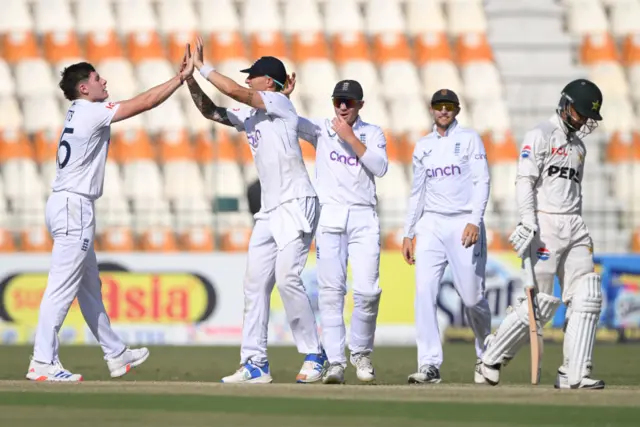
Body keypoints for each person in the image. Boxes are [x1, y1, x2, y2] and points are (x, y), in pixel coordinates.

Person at [26, 46, 195, 382]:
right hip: (74, 207)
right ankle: (42, 361)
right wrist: (179, 79)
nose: (104, 80)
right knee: (61, 288)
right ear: (83, 88)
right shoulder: (91, 110)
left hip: (66, 203)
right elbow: (144, 103)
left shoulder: (77, 111)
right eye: (96, 77)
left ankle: (116, 353)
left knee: (89, 287)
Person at [186, 36, 326, 384]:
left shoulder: (279, 102)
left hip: (296, 203)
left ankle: (315, 354)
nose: (247, 79)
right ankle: (255, 363)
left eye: (253, 76)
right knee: (254, 285)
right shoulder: (252, 114)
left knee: (287, 277)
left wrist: (204, 67)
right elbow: (210, 111)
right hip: (269, 210)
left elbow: (238, 92)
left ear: (269, 83)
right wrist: (189, 79)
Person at [480, 79, 605, 390]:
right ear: (565, 105)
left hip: (574, 223)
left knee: (587, 295)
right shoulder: (540, 135)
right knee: (542, 305)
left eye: (588, 118)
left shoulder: (579, 146)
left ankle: (573, 374)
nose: (583, 122)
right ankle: (490, 357)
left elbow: (573, 190)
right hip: (545, 225)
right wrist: (527, 221)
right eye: (579, 114)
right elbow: (524, 180)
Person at [288, 78, 388, 384]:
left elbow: (380, 167)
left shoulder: (372, 133)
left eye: (349, 102)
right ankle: (335, 361)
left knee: (368, 292)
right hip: (330, 217)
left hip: (363, 217)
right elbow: (291, 123)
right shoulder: (321, 129)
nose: (342, 107)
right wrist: (285, 98)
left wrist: (348, 137)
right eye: (338, 101)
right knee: (331, 295)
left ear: (360, 105)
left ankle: (361, 352)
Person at [402, 89, 492, 384]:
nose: (444, 111)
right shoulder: (423, 146)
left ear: (457, 109)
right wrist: (408, 232)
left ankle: (486, 355)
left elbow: (482, 181)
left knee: (471, 296)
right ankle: (429, 364)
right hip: (431, 225)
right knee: (424, 292)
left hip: (463, 223)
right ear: (431, 109)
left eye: (449, 106)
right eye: (439, 106)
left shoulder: (469, 139)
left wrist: (474, 220)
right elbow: (417, 193)